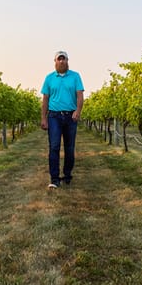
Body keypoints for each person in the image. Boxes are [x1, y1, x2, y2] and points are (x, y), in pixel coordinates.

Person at [40, 50, 84, 189]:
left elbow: (80, 96)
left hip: (70, 116)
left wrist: (78, 111)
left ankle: (67, 175)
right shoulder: (49, 78)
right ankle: (54, 179)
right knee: (54, 147)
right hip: (54, 116)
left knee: (69, 148)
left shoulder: (75, 76)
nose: (61, 61)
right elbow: (45, 99)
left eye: (63, 59)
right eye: (59, 59)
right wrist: (44, 118)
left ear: (67, 61)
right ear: (55, 62)